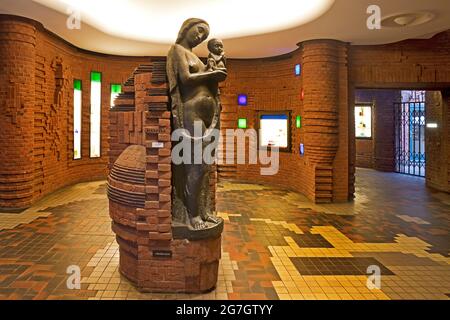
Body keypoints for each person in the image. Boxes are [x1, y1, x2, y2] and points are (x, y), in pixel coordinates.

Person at [167, 18, 227, 230]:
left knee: (205, 167)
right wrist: (212, 75)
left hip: (208, 116)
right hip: (192, 114)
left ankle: (203, 210)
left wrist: (214, 72)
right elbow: (185, 78)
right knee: (197, 165)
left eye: (205, 35)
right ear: (187, 28)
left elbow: (204, 79)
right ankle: (192, 215)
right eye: (199, 30)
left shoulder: (199, 58)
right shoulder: (177, 50)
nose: (201, 36)